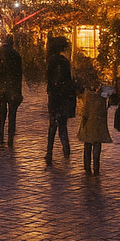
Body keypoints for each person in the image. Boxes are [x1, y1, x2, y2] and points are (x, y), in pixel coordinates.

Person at [45, 37, 76, 166]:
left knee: (53, 124)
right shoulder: (64, 62)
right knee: (62, 124)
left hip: (54, 95)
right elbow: (68, 80)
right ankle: (66, 148)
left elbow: (48, 79)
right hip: (63, 96)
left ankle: (50, 151)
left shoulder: (51, 61)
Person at [0, 35, 23, 146]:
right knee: (12, 112)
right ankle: (10, 136)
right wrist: (18, 89)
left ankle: (1, 132)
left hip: (1, 87)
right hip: (12, 86)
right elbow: (19, 74)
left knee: (2, 109)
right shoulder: (15, 55)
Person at [76, 77, 111, 176]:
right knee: (97, 144)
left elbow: (84, 111)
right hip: (99, 123)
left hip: (89, 123)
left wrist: (84, 119)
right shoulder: (103, 94)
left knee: (88, 144)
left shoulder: (87, 95)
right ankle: (96, 167)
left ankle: (87, 166)